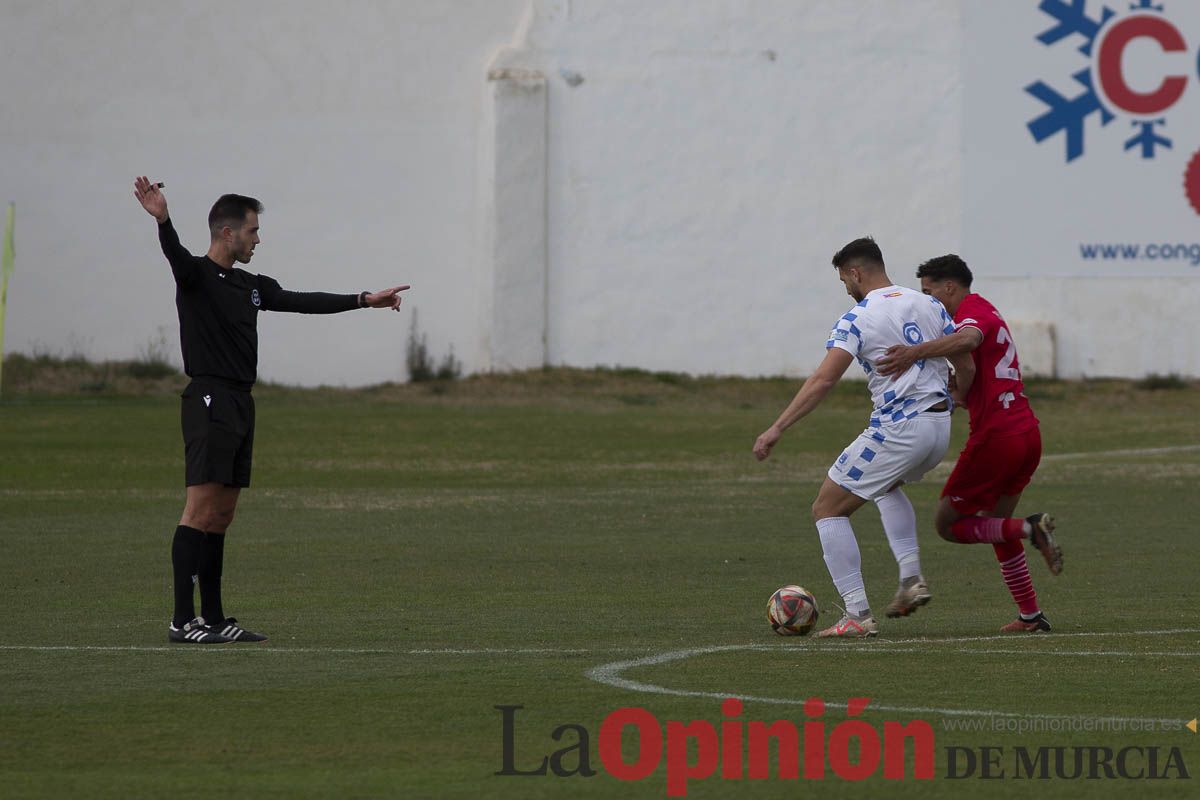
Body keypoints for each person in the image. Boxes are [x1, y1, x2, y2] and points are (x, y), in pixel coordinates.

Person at [133, 176, 409, 644]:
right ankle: (183, 621)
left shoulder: (252, 286)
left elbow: (302, 303)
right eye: (252, 231)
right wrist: (163, 219)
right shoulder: (195, 275)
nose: (258, 239)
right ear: (227, 233)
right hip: (209, 399)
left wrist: (365, 300)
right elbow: (174, 253)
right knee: (198, 511)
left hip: (241, 402)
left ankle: (216, 618)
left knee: (222, 515)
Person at [753, 237, 973, 638]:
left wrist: (777, 428)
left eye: (844, 280)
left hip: (899, 428)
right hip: (939, 429)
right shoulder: (929, 303)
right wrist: (957, 394)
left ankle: (856, 613)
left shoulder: (858, 318)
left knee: (827, 508)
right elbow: (964, 360)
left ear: (855, 273)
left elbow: (823, 380)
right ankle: (910, 578)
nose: (846, 289)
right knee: (885, 487)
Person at [876, 254, 1062, 633]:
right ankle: (1030, 615)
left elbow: (968, 339)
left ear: (950, 287)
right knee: (996, 525)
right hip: (1026, 433)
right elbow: (974, 368)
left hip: (997, 437)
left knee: (948, 524)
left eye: (930, 292)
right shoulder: (984, 308)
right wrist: (960, 393)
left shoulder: (971, 312)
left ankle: (1030, 529)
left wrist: (911, 353)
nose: (928, 300)